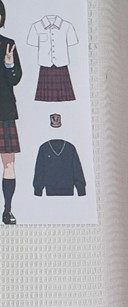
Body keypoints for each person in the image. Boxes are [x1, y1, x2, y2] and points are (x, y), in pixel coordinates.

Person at [0, 0, 22, 225]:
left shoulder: (8, 44)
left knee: (9, 164)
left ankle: (7, 211)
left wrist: (8, 64)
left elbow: (15, 79)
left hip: (3, 112)